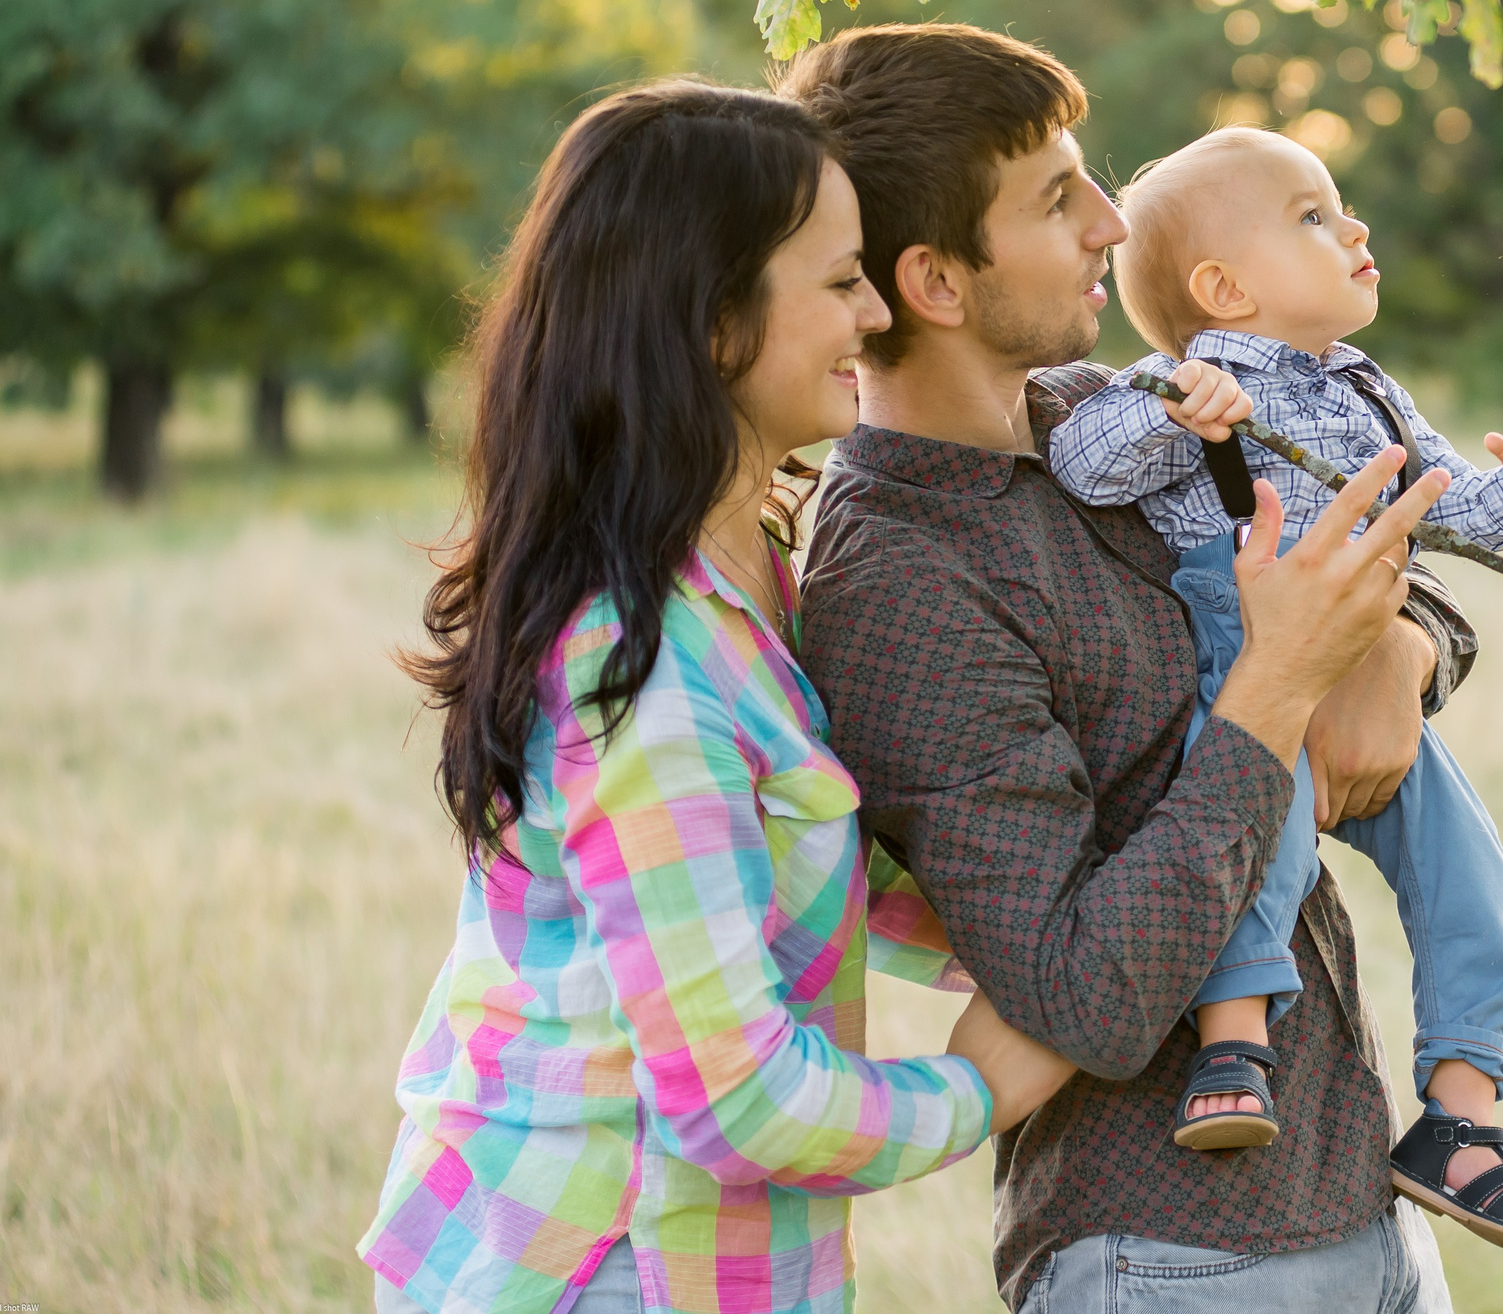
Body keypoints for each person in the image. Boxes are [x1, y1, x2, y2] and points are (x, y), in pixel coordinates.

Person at [776, 25, 1480, 1312]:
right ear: (934, 278)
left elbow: (1373, 548)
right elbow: (1081, 991)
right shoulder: (896, 579)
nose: (1112, 222)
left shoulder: (1107, 413)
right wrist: (1280, 685)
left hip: (1363, 1202)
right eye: (1057, 197)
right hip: (1168, 1257)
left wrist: (1401, 646)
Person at [359, 81, 1073, 1314]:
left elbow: (814, 856)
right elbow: (735, 1093)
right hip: (608, 1266)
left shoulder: (747, 574)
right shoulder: (639, 667)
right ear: (712, 323)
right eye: (841, 279)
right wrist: (978, 1088)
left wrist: (1067, 937)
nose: (875, 307)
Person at [1046, 124, 1503, 1256]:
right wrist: (1172, 414)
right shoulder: (1188, 377)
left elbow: (1442, 513)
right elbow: (1085, 460)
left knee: (1470, 869)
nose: (1355, 229)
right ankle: (1232, 1043)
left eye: (1341, 207)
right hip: (1257, 666)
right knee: (1265, 836)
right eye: (1312, 216)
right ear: (1222, 288)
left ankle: (1462, 1114)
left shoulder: (1366, 389)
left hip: (1364, 653)